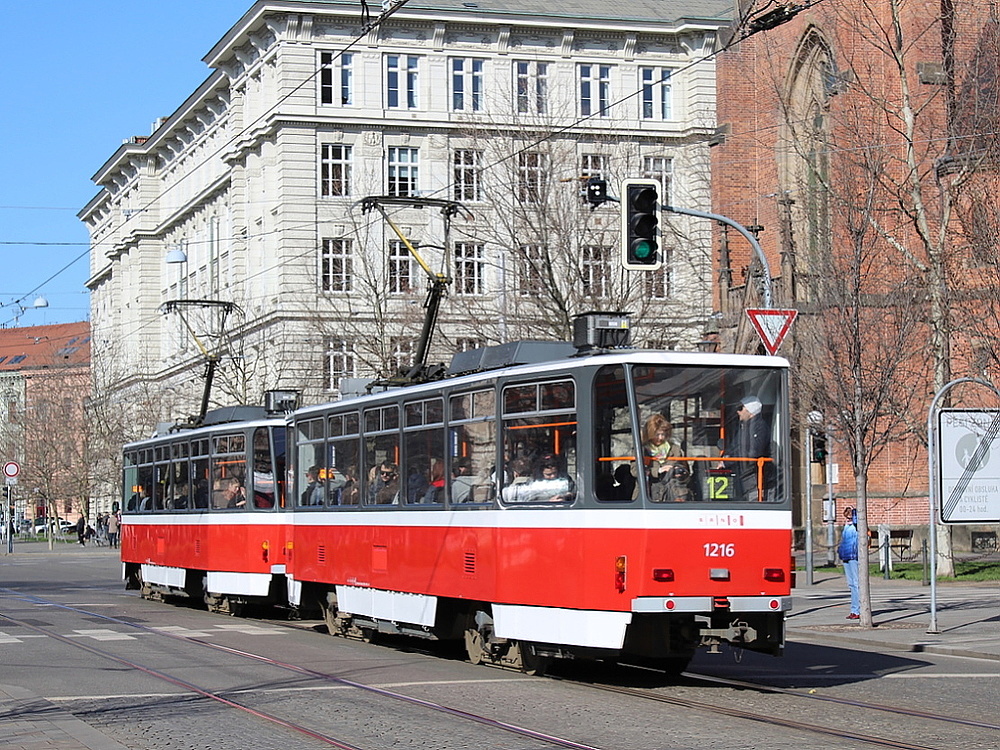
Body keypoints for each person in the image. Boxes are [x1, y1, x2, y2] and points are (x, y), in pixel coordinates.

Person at [723, 396, 771, 502]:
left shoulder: (760, 427)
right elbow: (735, 446)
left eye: (741, 409)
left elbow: (753, 453)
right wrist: (725, 458)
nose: (738, 412)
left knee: (753, 501)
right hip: (743, 474)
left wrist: (727, 462)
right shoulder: (744, 427)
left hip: (753, 475)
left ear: (750, 411)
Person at [642, 414, 689, 502]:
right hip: (648, 494)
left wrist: (678, 471)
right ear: (650, 434)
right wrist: (658, 470)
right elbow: (635, 471)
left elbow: (685, 471)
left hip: (672, 494)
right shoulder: (641, 450)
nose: (660, 438)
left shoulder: (675, 449)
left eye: (663, 434)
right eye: (657, 434)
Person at [839, 505, 861, 620]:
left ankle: (858, 610)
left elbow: (857, 518)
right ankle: (854, 610)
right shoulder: (846, 526)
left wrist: (854, 510)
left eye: (850, 516)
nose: (848, 518)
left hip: (854, 556)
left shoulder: (857, 525)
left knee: (856, 584)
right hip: (846, 556)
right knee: (851, 584)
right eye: (847, 516)